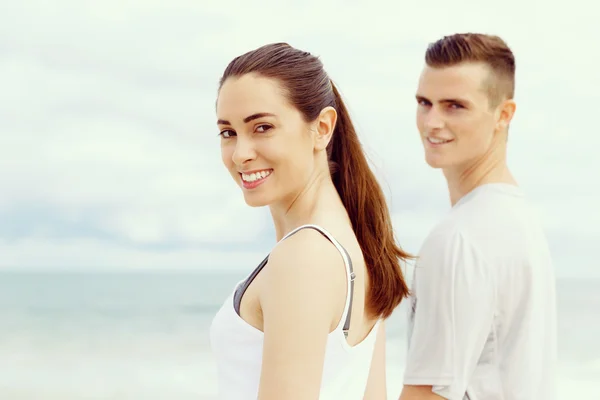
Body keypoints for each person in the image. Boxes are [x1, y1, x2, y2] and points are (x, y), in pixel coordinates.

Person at [209, 42, 412, 400]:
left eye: (262, 127)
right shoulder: (360, 248)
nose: (240, 154)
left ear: (322, 128)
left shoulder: (303, 257)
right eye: (229, 132)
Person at [398, 33, 557, 400]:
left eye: (454, 106)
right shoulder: (519, 221)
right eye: (425, 102)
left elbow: (426, 395)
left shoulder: (459, 238)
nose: (432, 122)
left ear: (504, 115)